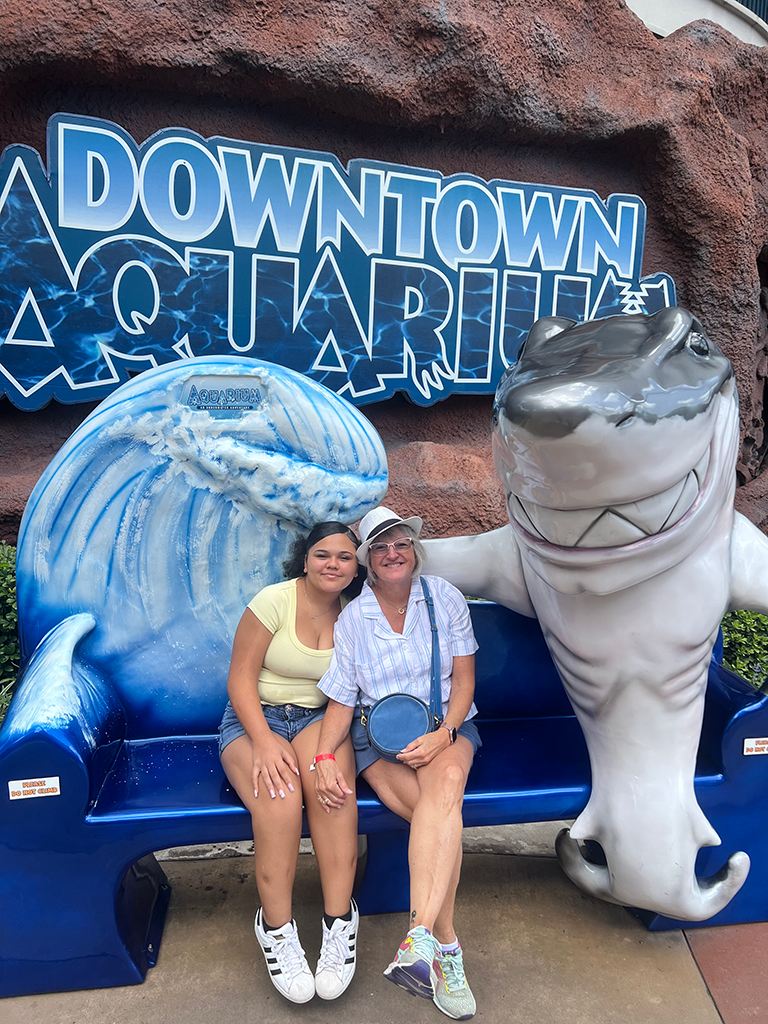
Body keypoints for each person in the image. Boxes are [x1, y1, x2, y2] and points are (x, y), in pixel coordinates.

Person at [313, 506, 482, 1021]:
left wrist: (444, 734)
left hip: (446, 726)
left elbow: (465, 680)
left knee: (446, 780)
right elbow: (343, 699)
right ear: (368, 561)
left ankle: (420, 939)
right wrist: (323, 755)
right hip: (378, 741)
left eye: (400, 543)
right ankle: (442, 944)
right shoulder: (352, 619)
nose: (392, 552)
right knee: (442, 818)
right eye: (381, 546)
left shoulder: (445, 598)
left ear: (414, 550)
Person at [218, 522, 361, 1004]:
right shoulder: (273, 601)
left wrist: (322, 755)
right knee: (278, 802)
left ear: (355, 566)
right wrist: (261, 739)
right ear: (305, 559)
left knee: (334, 792)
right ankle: (277, 930)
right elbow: (240, 679)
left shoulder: (356, 614)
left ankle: (339, 925)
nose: (333, 564)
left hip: (321, 719)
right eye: (323, 554)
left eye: (344, 556)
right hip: (253, 717)